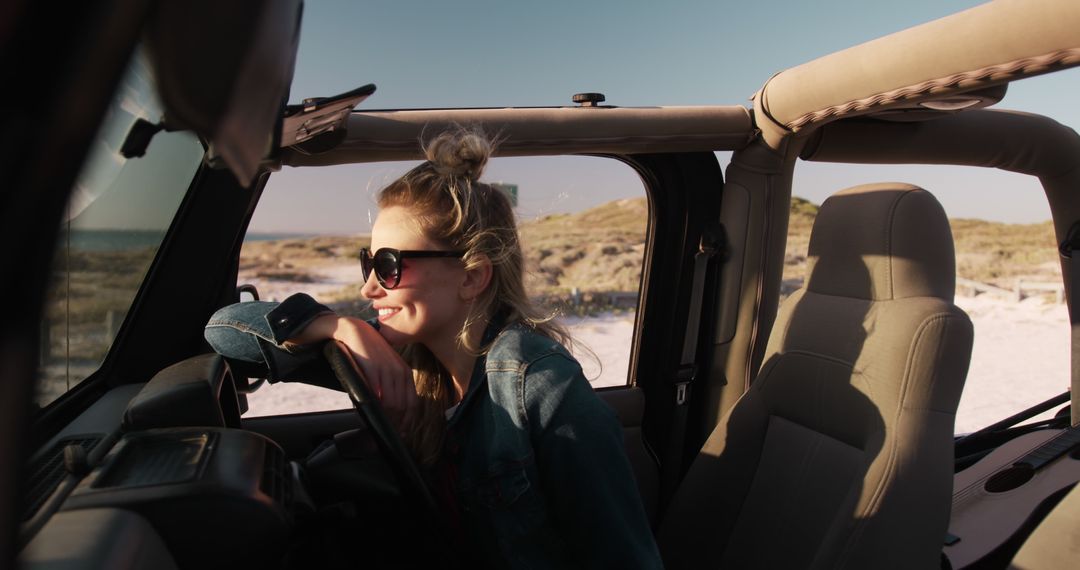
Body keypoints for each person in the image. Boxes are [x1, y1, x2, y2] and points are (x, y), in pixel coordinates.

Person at [204, 129, 663, 568]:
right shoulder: (393, 349)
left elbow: (625, 557)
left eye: (388, 265)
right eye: (369, 262)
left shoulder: (540, 387)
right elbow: (223, 329)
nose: (368, 288)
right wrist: (338, 326)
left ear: (471, 277)